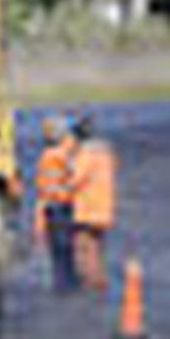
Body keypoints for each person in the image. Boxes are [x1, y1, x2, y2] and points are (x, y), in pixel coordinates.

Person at [70, 116, 117, 293]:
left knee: (84, 248)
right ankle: (99, 282)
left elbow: (75, 179)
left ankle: (89, 284)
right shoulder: (106, 154)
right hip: (104, 208)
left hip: (87, 209)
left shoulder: (86, 154)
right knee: (98, 248)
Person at [33, 115, 80, 293]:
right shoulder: (57, 155)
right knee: (63, 250)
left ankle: (64, 284)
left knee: (61, 251)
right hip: (59, 206)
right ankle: (65, 286)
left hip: (54, 206)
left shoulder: (50, 154)